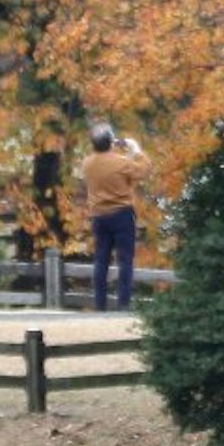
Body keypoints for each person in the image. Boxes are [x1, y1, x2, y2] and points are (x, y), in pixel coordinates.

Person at [79, 119, 147, 312]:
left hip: (99, 216)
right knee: (125, 260)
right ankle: (123, 304)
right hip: (121, 215)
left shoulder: (87, 164)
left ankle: (100, 305)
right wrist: (136, 150)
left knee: (101, 260)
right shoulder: (121, 162)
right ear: (110, 141)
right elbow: (143, 171)